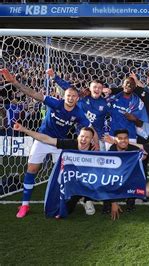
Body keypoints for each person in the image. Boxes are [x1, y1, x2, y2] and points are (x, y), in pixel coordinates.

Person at [1, 68, 94, 218]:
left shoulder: (78, 113)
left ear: (77, 99)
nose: (70, 98)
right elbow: (33, 94)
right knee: (31, 169)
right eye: (68, 95)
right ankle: (25, 205)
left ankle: (60, 204)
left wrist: (93, 142)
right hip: (42, 139)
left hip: (59, 144)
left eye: (73, 96)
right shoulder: (55, 103)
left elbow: (88, 128)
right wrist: (15, 82)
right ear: (65, 95)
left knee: (62, 175)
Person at [13, 123, 99, 216]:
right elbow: (46, 139)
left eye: (87, 137)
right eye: (82, 136)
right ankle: (75, 197)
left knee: (93, 177)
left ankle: (87, 199)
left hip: (86, 179)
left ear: (91, 140)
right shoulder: (69, 144)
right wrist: (24, 130)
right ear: (78, 137)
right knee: (65, 209)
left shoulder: (94, 151)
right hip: (72, 179)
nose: (83, 139)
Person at [47, 69, 109, 150]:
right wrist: (54, 77)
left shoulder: (106, 103)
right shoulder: (81, 98)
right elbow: (68, 88)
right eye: (95, 87)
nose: (97, 89)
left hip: (98, 138)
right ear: (90, 88)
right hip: (81, 137)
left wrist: (112, 90)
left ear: (103, 89)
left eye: (100, 88)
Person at [105, 129, 142, 217]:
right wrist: (114, 202)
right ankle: (108, 203)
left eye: (125, 138)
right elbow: (108, 176)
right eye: (120, 138)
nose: (123, 140)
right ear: (115, 140)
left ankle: (130, 199)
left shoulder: (135, 150)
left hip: (129, 178)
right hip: (115, 178)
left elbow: (144, 154)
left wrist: (143, 156)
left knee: (137, 176)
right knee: (105, 179)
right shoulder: (110, 152)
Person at [106, 77, 149, 150]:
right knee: (112, 159)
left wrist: (135, 119)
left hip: (130, 137)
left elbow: (141, 124)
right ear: (122, 85)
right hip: (112, 136)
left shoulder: (138, 103)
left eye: (132, 84)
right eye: (127, 83)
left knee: (129, 160)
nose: (129, 85)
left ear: (135, 87)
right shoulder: (112, 98)